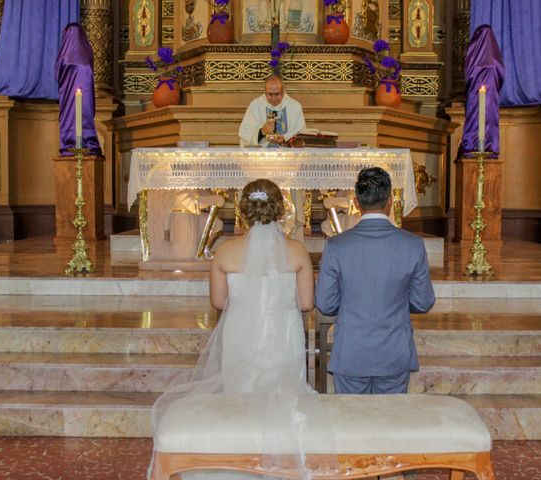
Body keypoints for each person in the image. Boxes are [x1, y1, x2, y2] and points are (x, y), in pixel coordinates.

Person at [149, 179, 334, 480]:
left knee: (241, 396)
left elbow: (219, 301)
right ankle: (282, 464)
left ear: (243, 212)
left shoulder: (225, 252)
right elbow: (306, 303)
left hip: (241, 334)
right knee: (283, 398)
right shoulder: (297, 251)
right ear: (280, 210)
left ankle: (242, 463)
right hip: (282, 334)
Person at [315, 167, 435, 395]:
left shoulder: (336, 246)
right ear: (390, 200)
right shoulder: (412, 245)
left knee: (352, 425)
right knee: (390, 424)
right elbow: (423, 302)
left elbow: (326, 303)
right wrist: (395, 299)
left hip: (351, 352)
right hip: (394, 352)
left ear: (358, 203)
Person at [238, 75, 306, 147]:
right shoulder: (256, 105)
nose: (273, 98)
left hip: (288, 156)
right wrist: (262, 132)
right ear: (264, 91)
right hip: (262, 156)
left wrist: (285, 138)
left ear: (283, 91)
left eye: (277, 94)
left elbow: (301, 134)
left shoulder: (294, 106)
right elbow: (245, 135)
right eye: (270, 94)